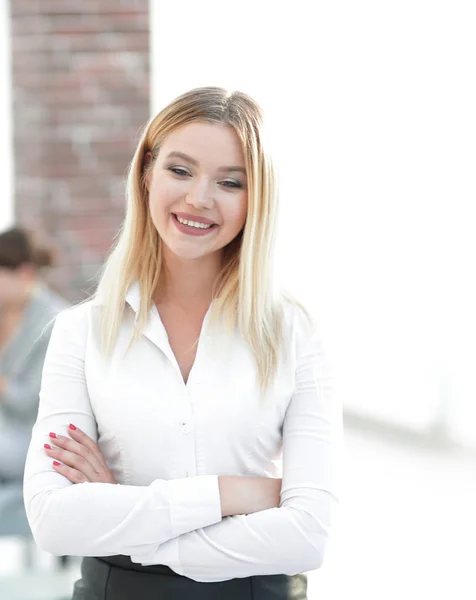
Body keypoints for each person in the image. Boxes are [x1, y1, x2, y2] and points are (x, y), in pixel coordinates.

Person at [23, 87, 342, 599]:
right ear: (147, 173)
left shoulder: (292, 333)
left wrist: (122, 510)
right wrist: (231, 494)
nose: (199, 198)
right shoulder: (80, 333)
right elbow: (53, 521)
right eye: (180, 170)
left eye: (230, 182)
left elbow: (308, 534)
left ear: (255, 198)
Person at [0, 227, 68, 483]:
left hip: (30, 439)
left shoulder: (55, 323)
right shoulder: (5, 310)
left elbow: (31, 402)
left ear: (24, 274)